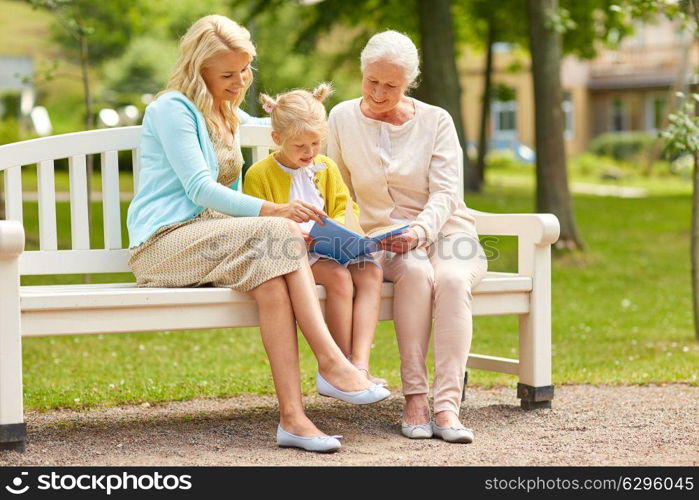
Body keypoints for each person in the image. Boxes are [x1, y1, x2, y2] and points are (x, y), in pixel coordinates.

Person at [126, 15, 389, 454]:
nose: (240, 80)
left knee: (271, 286)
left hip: (214, 239)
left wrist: (308, 111)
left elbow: (289, 125)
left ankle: (293, 420)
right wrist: (276, 210)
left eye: (245, 69)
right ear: (199, 69)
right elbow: (199, 189)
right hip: (164, 243)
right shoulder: (172, 109)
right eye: (228, 73)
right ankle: (331, 364)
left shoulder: (226, 111)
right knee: (281, 230)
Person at [327, 30, 488, 443]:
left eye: (391, 86)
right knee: (416, 275)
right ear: (362, 73)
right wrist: (349, 236)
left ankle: (448, 406)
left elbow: (447, 193)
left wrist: (420, 229)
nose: (379, 94)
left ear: (408, 83)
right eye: (372, 82)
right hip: (384, 238)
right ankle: (415, 397)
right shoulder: (342, 117)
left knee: (451, 280)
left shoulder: (436, 120)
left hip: (448, 230)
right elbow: (337, 188)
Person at [243, 83, 386, 386]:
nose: (309, 153)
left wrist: (335, 228)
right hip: (293, 255)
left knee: (371, 272)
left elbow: (346, 208)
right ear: (277, 139)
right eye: (300, 147)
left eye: (316, 144)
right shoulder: (260, 175)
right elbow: (253, 224)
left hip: (332, 246)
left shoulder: (326, 167)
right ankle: (338, 365)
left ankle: (359, 364)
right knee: (338, 277)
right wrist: (297, 232)